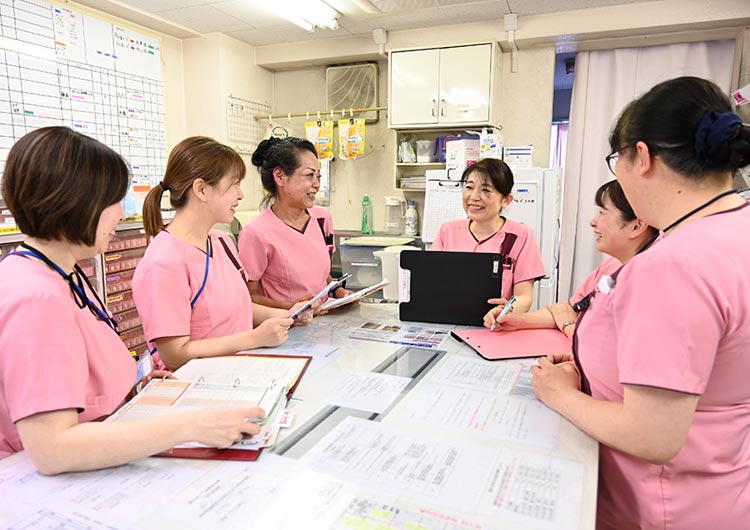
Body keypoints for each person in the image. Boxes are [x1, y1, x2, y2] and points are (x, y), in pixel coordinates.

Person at [531, 77, 750, 530]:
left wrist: (559, 394)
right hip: (723, 486)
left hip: (663, 504)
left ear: (642, 157)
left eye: (618, 162)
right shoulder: (735, 227)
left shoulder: (673, 263)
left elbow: (651, 435)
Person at [0, 127, 264, 472]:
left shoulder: (63, 272)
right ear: (73, 203)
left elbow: (73, 377)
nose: (121, 216)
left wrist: (128, 387)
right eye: (113, 203)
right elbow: (52, 449)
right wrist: (189, 426)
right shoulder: (35, 296)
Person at [133, 136, 311, 371]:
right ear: (201, 189)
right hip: (196, 387)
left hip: (237, 371)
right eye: (234, 184)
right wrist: (255, 338)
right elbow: (174, 355)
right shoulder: (163, 263)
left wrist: (287, 315)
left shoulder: (221, 242)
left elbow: (237, 308)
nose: (240, 194)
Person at [483, 179, 656, 338]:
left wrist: (568, 325)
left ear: (637, 225)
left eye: (603, 213)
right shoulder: (611, 266)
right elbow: (568, 309)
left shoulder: (653, 280)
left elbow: (610, 343)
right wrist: (516, 321)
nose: (593, 222)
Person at [238, 136, 352, 310]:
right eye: (309, 175)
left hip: (324, 326)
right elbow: (249, 297)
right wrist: (293, 308)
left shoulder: (322, 219)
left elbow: (321, 276)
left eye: (318, 177)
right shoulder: (256, 233)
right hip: (286, 330)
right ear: (280, 176)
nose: (316, 185)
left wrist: (338, 292)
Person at [431, 158, 545, 313]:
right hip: (450, 319)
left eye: (486, 190)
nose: (474, 197)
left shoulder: (521, 236)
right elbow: (431, 282)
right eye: (469, 187)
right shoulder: (447, 231)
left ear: (506, 200)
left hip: (496, 325)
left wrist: (505, 312)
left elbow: (524, 296)